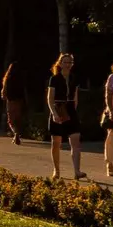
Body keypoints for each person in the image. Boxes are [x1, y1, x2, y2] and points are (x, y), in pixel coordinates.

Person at [46, 52, 84, 182]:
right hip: (58, 108)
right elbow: (50, 99)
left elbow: (76, 97)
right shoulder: (54, 79)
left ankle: (77, 171)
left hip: (71, 109)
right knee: (56, 142)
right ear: (60, 64)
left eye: (70, 62)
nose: (67, 64)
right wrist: (55, 114)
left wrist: (74, 111)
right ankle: (56, 170)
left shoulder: (75, 78)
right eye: (65, 62)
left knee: (76, 140)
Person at [0, 61, 27, 145]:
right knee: (18, 119)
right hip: (19, 100)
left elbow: (4, 90)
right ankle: (17, 134)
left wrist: (4, 96)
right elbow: (24, 90)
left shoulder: (7, 78)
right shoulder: (21, 79)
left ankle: (15, 133)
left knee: (11, 120)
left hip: (10, 101)